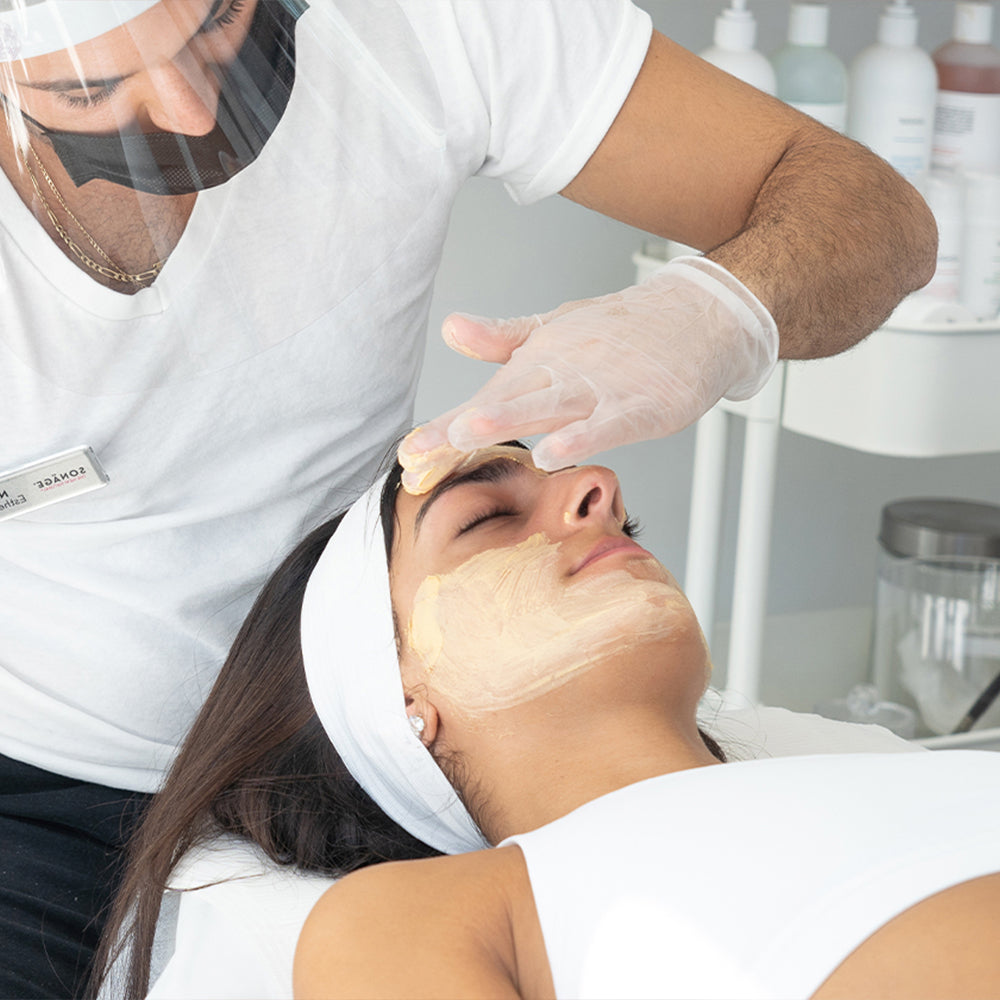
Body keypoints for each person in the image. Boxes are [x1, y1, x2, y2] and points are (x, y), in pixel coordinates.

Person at [0, 0, 938, 993]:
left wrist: (718, 310)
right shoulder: (412, 929)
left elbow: (868, 212)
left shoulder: (430, 20)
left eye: (219, 23)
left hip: (354, 765)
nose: (189, 111)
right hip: (40, 781)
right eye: (89, 88)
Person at [92, 445, 1000, 999]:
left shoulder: (887, 769)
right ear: (397, 699)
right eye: (487, 516)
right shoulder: (430, 917)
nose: (599, 484)